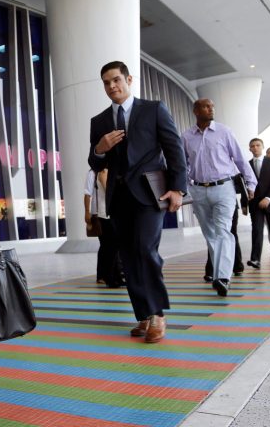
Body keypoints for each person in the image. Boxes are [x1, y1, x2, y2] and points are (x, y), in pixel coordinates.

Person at [88, 61, 187, 343]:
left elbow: (174, 149)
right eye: (106, 83)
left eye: (116, 80)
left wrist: (178, 189)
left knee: (145, 249)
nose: (111, 87)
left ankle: (157, 314)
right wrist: (99, 148)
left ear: (128, 79)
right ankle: (143, 314)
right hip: (117, 198)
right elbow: (94, 162)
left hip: (148, 194)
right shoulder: (99, 121)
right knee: (129, 257)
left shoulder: (154, 109)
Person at [182, 99, 255, 296]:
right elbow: (184, 163)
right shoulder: (187, 136)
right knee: (210, 235)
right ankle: (219, 275)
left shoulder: (224, 131)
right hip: (198, 190)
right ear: (196, 111)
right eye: (206, 106)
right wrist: (185, 185)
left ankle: (222, 277)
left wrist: (251, 183)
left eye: (212, 106)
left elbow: (239, 159)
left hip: (224, 188)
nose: (211, 108)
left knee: (223, 231)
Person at [246, 138, 270, 269]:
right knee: (256, 230)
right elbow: (244, 184)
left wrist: (268, 198)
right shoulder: (247, 165)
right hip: (254, 203)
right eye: (252, 146)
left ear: (262, 147)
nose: (255, 148)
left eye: (258, 145)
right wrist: (244, 203)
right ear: (249, 149)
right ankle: (255, 259)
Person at [83, 168, 122, 287]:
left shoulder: (112, 171)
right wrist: (87, 212)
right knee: (109, 246)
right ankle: (107, 276)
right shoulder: (93, 173)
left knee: (108, 246)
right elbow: (87, 194)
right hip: (100, 214)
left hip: (112, 213)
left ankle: (110, 276)